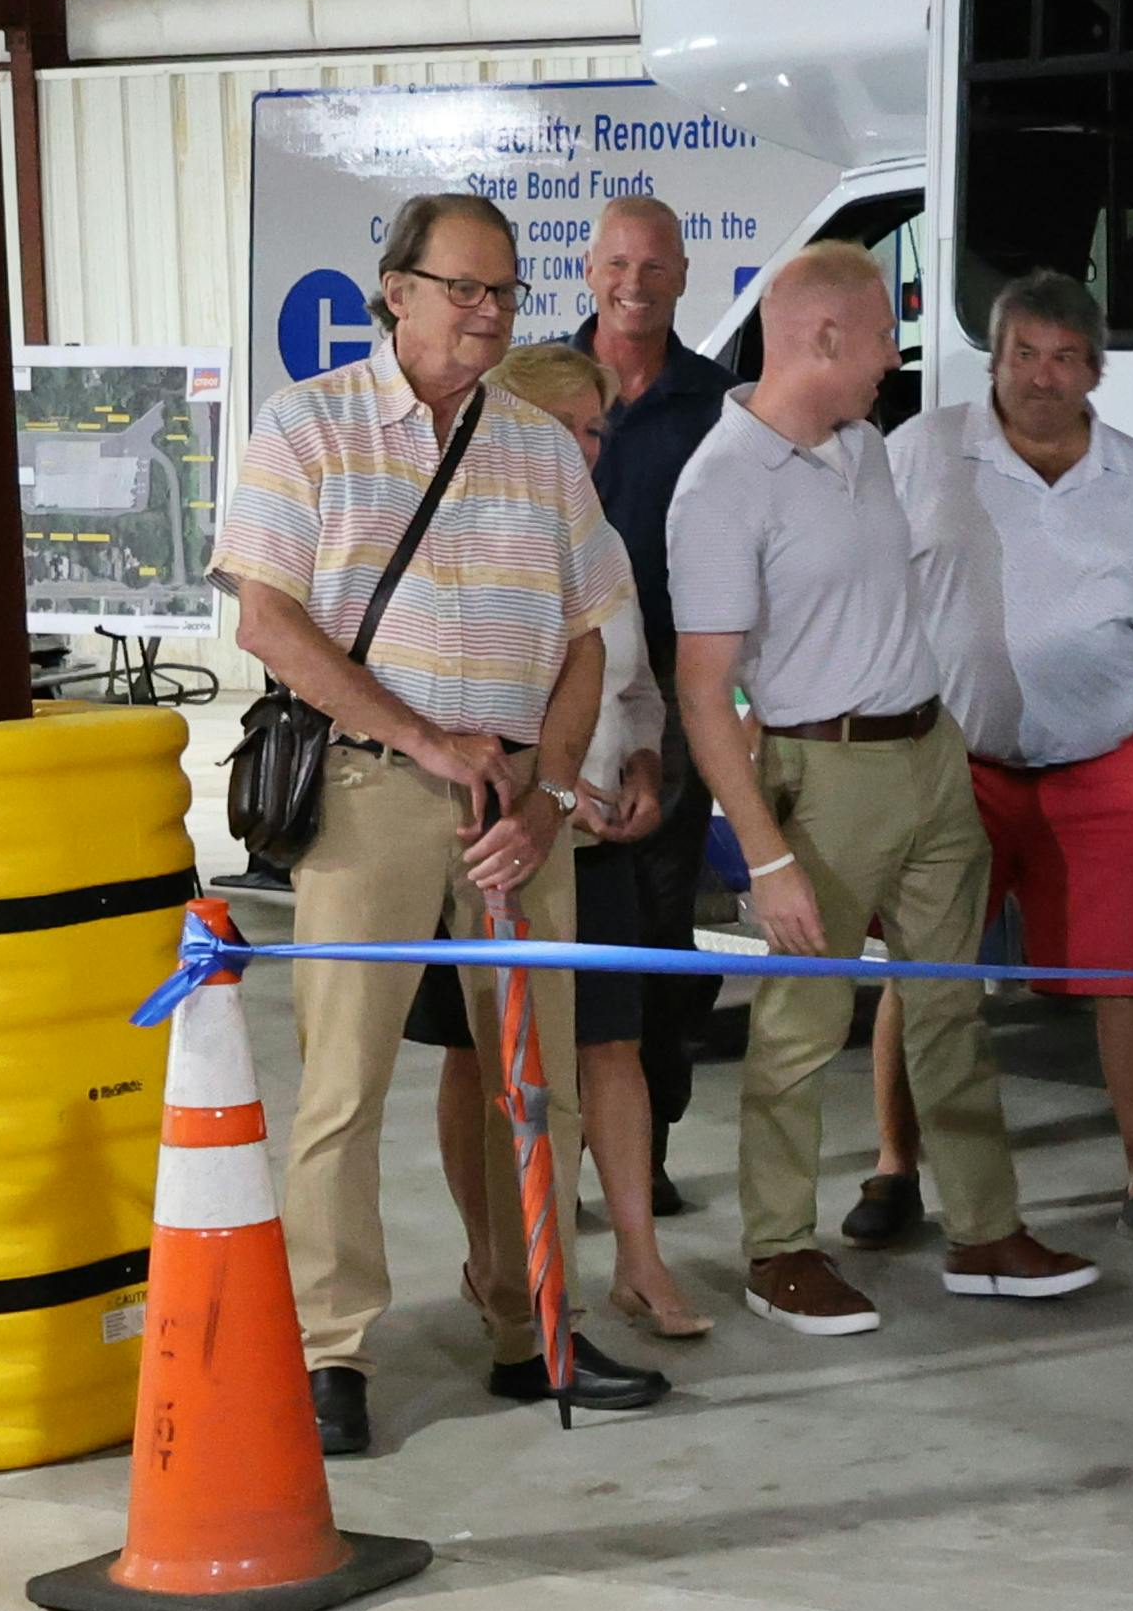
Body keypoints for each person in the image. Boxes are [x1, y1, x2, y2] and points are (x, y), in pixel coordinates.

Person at [214, 191, 667, 1457]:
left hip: (520, 808)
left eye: (505, 293)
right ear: (395, 291)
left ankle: (537, 1332)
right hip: (372, 796)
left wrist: (543, 791)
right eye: (462, 288)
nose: (485, 313)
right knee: (344, 1087)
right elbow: (267, 622)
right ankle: (331, 1353)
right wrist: (427, 742)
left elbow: (587, 638)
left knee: (539, 1090)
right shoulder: (308, 428)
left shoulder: (536, 448)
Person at [667, 239, 1098, 1335]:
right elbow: (705, 693)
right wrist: (767, 858)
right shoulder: (720, 488)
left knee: (953, 1007)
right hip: (825, 779)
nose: (891, 360)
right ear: (822, 338)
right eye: (879, 338)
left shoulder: (862, 447)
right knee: (802, 1028)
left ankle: (985, 1233)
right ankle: (777, 1250)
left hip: (929, 757)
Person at [861, 270, 1133, 1261]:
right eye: (1026, 354)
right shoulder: (921, 453)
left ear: (1096, 370)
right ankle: (894, 1167)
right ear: (996, 358)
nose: (1044, 377)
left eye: (1065, 358)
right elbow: (858, 586)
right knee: (925, 976)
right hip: (953, 767)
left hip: (1104, 772)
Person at [401, 343, 713, 1342]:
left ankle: (637, 1260)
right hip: (496, 841)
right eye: (577, 427)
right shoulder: (459, 540)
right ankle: (498, 1266)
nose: (592, 446)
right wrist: (554, 794)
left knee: (612, 1046)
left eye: (598, 429)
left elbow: (636, 687)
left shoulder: (603, 540)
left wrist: (649, 769)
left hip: (599, 833)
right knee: (478, 1056)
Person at [569, 194, 740, 1219]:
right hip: (549, 703)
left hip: (672, 706)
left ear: (684, 276)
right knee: (556, 934)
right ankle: (556, 1142)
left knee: (663, 934)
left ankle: (648, 1144)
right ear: (590, 271)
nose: (635, 283)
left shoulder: (720, 407)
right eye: (617, 263)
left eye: (656, 266)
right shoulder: (534, 391)